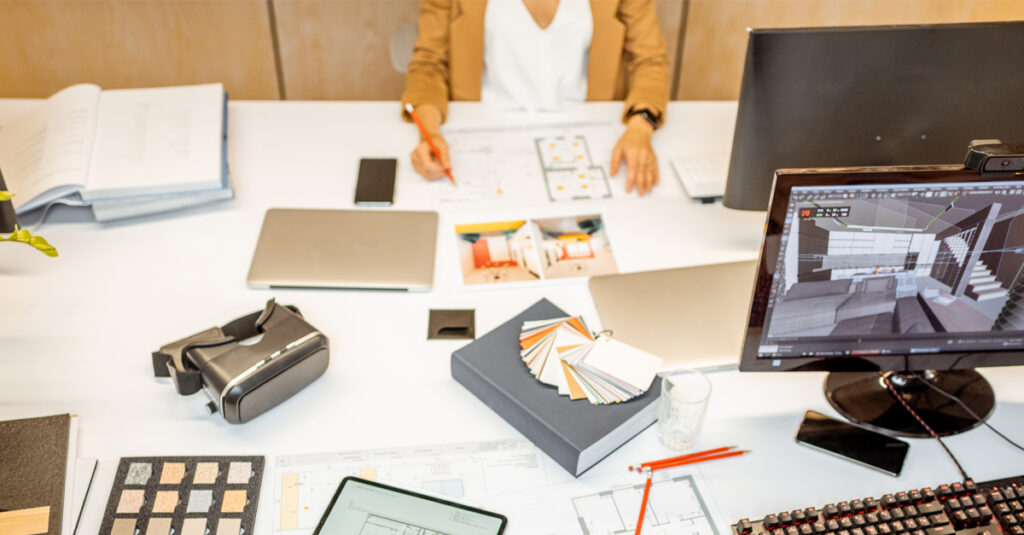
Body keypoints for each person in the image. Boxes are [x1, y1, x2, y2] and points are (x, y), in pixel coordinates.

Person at [401, 0, 670, 195]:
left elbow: (650, 61)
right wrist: (430, 132)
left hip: (588, 139)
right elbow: (428, 64)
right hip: (484, 134)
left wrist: (640, 127)